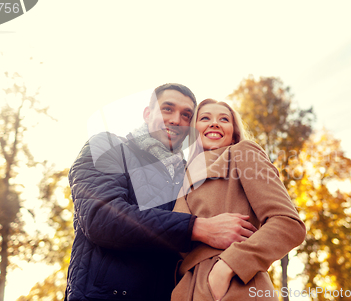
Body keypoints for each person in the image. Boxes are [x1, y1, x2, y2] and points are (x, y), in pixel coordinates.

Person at [65, 84, 258, 301]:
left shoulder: (189, 175)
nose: (176, 120)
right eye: (167, 109)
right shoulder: (109, 146)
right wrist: (197, 227)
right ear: (148, 114)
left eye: (186, 115)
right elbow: (101, 218)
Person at [171, 99, 307, 301]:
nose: (214, 123)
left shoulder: (242, 153)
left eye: (224, 119)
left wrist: (227, 268)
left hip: (236, 287)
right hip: (186, 290)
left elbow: (288, 224)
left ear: (234, 131)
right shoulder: (180, 176)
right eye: (205, 118)